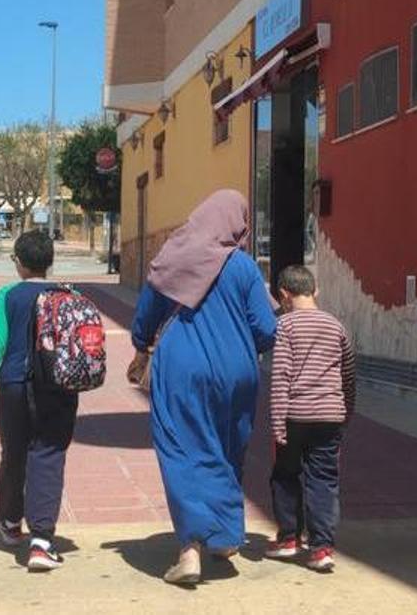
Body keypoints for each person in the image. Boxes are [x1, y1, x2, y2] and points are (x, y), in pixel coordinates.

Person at [128, 189, 277, 585]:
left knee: (182, 448)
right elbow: (266, 329)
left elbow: (146, 316)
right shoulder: (243, 267)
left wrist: (142, 347)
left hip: (182, 367)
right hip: (238, 370)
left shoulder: (175, 256)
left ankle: (190, 550)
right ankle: (227, 538)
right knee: (227, 447)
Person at [0, 230, 77, 572]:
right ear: (50, 262)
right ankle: (42, 543)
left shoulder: (6, 296)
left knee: (14, 453)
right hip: (56, 388)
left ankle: (11, 522)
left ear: (20, 263)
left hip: (13, 386)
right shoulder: (66, 295)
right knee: (49, 455)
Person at [265, 264, 356, 573]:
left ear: (283, 295)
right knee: (324, 479)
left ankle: (289, 538)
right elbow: (348, 374)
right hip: (330, 416)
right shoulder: (336, 326)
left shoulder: (285, 327)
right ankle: (321, 548)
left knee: (285, 475)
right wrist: (346, 413)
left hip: (295, 415)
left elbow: (281, 377)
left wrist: (277, 422)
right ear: (316, 291)